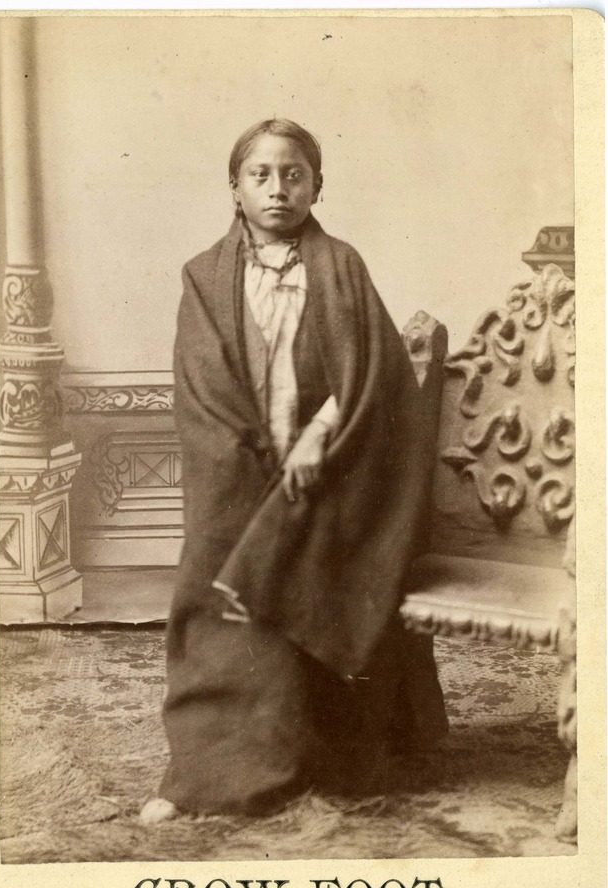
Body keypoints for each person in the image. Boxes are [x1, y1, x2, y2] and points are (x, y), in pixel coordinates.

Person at [140, 119, 447, 824]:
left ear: (316, 184)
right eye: (261, 174)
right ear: (235, 187)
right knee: (222, 594)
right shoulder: (204, 275)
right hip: (240, 472)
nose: (277, 188)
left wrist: (318, 439)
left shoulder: (339, 265)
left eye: (293, 174)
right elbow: (203, 382)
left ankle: (326, 759)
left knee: (324, 578)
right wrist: (253, 472)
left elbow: (374, 375)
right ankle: (209, 770)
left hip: (331, 472)